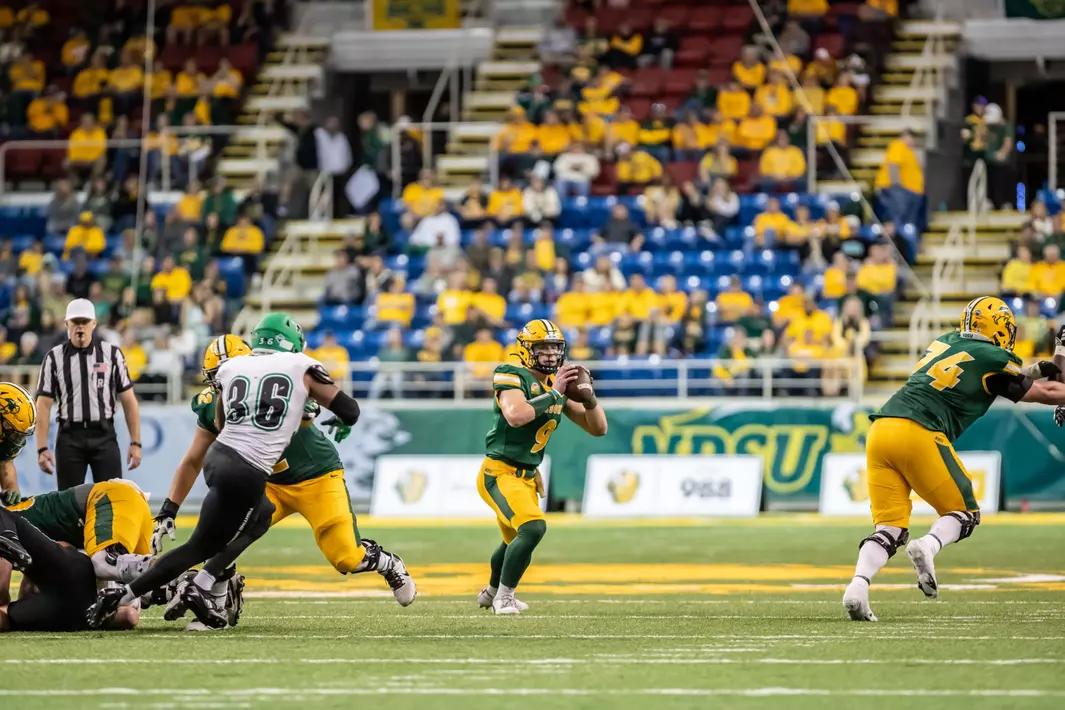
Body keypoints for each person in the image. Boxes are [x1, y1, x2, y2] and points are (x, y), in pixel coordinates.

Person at [84, 314, 395, 629]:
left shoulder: (231, 372)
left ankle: (130, 593)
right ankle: (200, 587)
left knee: (204, 543)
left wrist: (170, 508)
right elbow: (348, 409)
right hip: (251, 473)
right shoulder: (300, 367)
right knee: (253, 520)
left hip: (222, 463)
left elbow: (220, 428)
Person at [149, 334, 415, 629]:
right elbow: (192, 460)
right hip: (269, 483)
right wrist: (168, 509)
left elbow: (320, 402)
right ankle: (218, 607)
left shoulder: (281, 387)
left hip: (315, 477)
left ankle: (387, 562)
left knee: (346, 558)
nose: (221, 385)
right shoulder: (213, 404)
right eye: (216, 378)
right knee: (225, 532)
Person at [843, 298, 1065, 622]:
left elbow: (978, 372)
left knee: (888, 528)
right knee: (964, 513)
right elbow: (1043, 392)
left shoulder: (944, 342)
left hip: (881, 429)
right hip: (919, 431)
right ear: (998, 327)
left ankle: (858, 588)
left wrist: (1032, 370)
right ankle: (929, 546)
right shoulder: (993, 356)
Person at [477, 320, 608, 614]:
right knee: (533, 527)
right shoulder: (510, 373)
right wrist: (557, 394)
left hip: (526, 476)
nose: (550, 355)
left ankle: (492, 591)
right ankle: (504, 598)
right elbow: (516, 415)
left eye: (554, 348)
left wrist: (590, 399)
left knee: (512, 540)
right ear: (525, 350)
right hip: (500, 472)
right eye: (542, 348)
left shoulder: (552, 386)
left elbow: (598, 429)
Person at [35, 299, 141, 491]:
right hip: (70, 437)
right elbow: (43, 404)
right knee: (68, 506)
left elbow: (128, 400)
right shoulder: (54, 357)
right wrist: (41, 447)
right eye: (75, 322)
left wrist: (136, 442)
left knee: (112, 500)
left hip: (104, 435)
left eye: (85, 322)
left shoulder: (112, 354)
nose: (80, 327)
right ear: (67, 324)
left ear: (94, 323)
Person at [0, 505, 141, 632]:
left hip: (75, 581)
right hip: (79, 613)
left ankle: (9, 538)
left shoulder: (130, 575)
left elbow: (65, 546)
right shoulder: (132, 595)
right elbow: (130, 617)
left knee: (4, 515)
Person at [875, 129, 924, 228]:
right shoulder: (898, 145)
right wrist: (897, 186)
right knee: (897, 220)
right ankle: (895, 241)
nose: (913, 141)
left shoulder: (909, 151)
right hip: (900, 191)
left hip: (911, 192)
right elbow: (893, 165)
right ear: (904, 137)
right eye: (911, 138)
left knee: (907, 224)